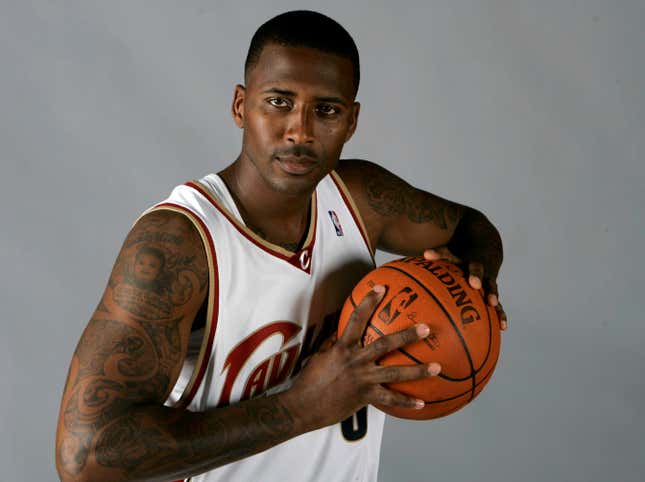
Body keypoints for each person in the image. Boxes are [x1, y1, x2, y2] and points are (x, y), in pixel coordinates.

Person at [55, 10, 507, 482]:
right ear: (239, 106)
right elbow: (86, 457)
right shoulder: (181, 242)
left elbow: (471, 228)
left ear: (352, 122)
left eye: (327, 110)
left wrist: (479, 273)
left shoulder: (362, 199)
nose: (300, 131)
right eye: (278, 101)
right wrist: (299, 408)